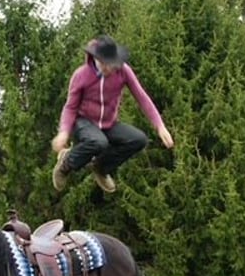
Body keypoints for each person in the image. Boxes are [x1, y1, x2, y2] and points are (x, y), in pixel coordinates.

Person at [51, 35, 174, 193]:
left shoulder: (123, 71)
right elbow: (70, 107)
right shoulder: (81, 75)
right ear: (97, 59)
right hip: (83, 122)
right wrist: (63, 132)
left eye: (112, 64)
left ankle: (101, 168)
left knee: (138, 139)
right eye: (105, 64)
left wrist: (160, 126)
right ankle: (65, 164)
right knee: (99, 142)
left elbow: (142, 97)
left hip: (108, 124)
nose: (110, 69)